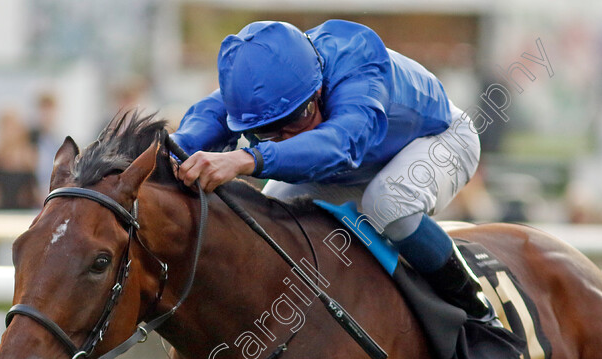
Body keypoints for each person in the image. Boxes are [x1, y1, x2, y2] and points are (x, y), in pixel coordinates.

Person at [171, 19, 495, 322]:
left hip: (441, 139)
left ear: (319, 90)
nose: (291, 136)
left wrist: (246, 158)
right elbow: (207, 118)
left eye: (298, 117)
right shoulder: (266, 82)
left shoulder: (360, 62)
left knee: (387, 201)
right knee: (270, 221)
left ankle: (478, 313)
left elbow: (340, 144)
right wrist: (168, 147)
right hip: (356, 162)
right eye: (270, 130)